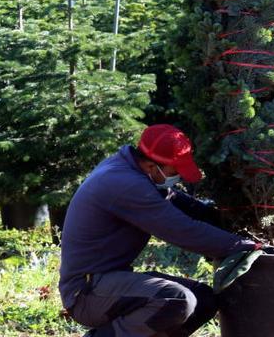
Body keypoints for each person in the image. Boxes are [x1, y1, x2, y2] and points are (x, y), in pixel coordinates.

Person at [59, 124, 260, 337]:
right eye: (175, 171)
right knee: (177, 300)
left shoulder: (131, 168)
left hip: (109, 281)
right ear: (152, 166)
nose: (179, 178)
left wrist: (225, 222)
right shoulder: (124, 184)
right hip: (87, 292)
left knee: (204, 300)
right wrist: (245, 246)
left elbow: (181, 203)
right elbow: (182, 231)